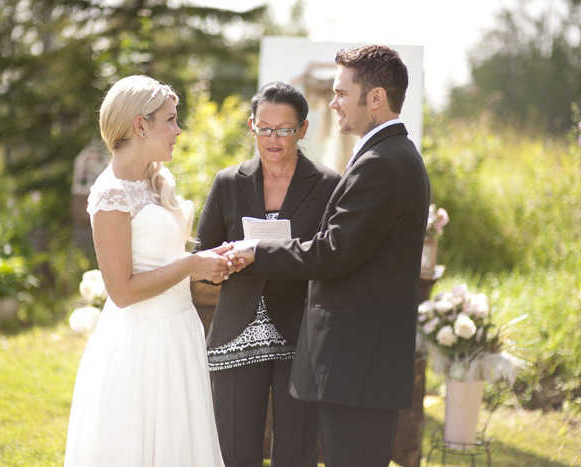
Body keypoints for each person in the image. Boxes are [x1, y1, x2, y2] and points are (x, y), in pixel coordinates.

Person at [230, 45, 430, 466]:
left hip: (357, 366)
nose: (333, 103)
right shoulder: (389, 155)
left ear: (375, 98)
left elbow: (332, 252)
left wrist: (256, 251)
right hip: (360, 366)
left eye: (341, 93)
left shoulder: (382, 162)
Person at [64, 75, 229, 466]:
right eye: (170, 120)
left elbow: (161, 252)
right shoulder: (110, 194)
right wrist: (191, 266)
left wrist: (210, 259)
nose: (178, 130)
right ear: (141, 125)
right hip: (140, 343)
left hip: (180, 331)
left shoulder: (155, 182)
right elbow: (121, 291)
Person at [196, 82, 340, 466]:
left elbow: (332, 257)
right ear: (252, 126)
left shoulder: (328, 185)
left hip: (302, 337)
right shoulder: (228, 182)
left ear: (303, 130)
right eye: (264, 128)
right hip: (235, 334)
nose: (272, 139)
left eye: (284, 130)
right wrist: (223, 261)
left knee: (296, 454)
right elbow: (200, 254)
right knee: (234, 452)